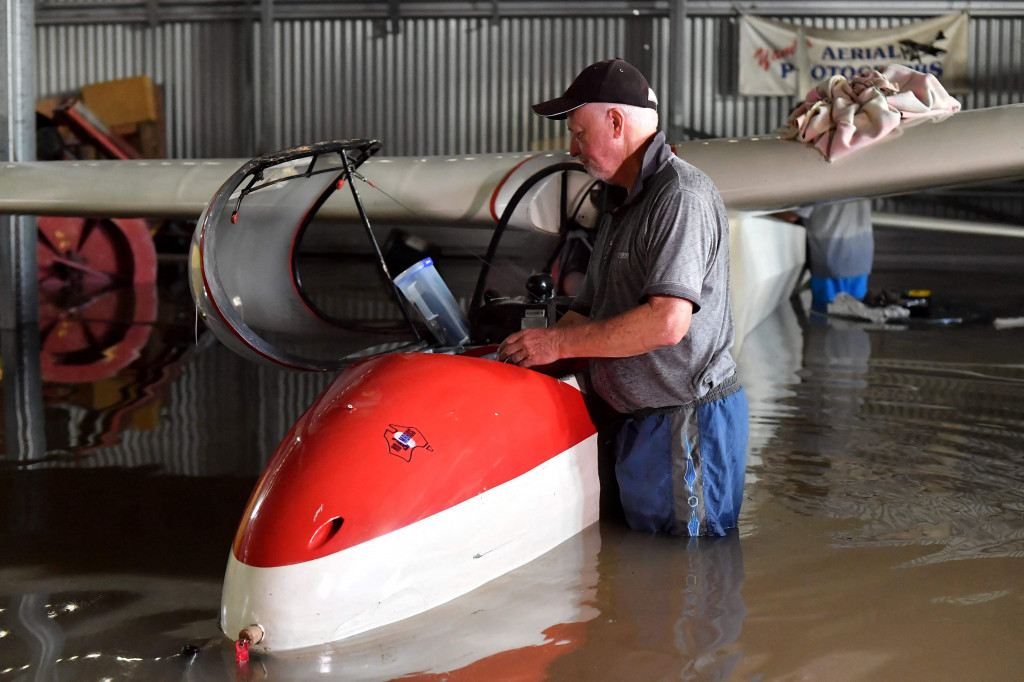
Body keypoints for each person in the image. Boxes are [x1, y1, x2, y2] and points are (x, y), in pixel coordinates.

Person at [497, 58, 748, 537]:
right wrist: (525, 356)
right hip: (635, 421)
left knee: (689, 584)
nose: (573, 149)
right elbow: (586, 309)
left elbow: (666, 324)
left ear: (615, 122)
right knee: (644, 584)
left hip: (684, 423)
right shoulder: (618, 203)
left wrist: (558, 347)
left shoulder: (680, 196)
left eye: (578, 133)